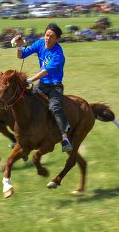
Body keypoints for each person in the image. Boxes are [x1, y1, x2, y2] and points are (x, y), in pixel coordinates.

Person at [11, 23, 73, 152]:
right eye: (46, 34)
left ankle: (65, 138)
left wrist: (29, 80)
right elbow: (21, 55)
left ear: (57, 39)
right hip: (42, 85)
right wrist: (20, 45)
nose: (48, 38)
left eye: (51, 36)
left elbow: (45, 71)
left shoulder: (58, 54)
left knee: (55, 107)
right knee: (24, 101)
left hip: (55, 86)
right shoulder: (39, 44)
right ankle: (21, 137)